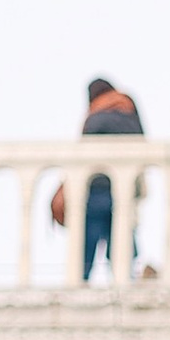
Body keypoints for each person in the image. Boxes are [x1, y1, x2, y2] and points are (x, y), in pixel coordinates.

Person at [56, 79, 143, 280]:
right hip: (123, 190)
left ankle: (82, 279)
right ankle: (127, 278)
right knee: (121, 241)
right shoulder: (129, 110)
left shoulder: (95, 117)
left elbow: (82, 154)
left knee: (88, 244)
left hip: (97, 190)